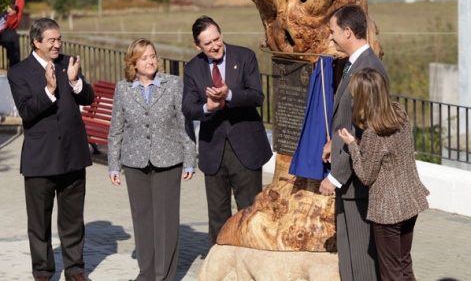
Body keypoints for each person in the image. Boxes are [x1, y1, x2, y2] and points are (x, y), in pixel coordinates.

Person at [7, 18, 94, 281]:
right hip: (40, 158)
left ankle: (75, 270)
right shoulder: (19, 72)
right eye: (51, 40)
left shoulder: (69, 63)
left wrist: (76, 81)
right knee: (39, 223)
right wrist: (49, 90)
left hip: (73, 154)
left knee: (73, 220)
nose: (57, 45)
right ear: (36, 42)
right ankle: (43, 271)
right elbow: (26, 111)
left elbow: (87, 97)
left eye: (59, 39)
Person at [107, 38, 197, 281]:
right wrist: (113, 165)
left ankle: (164, 276)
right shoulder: (123, 88)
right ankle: (146, 273)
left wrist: (190, 159)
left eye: (153, 56)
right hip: (134, 162)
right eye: (144, 57)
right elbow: (116, 129)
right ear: (133, 63)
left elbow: (184, 123)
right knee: (142, 218)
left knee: (166, 220)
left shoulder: (173, 84)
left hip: (169, 159)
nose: (150, 61)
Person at [181, 15, 272, 248]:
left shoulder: (244, 57)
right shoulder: (192, 68)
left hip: (246, 150)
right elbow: (188, 108)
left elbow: (257, 96)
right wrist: (207, 107)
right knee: (218, 217)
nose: (215, 46)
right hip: (214, 152)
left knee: (250, 214)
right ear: (198, 46)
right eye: (208, 43)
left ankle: (251, 266)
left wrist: (229, 95)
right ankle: (220, 267)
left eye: (217, 39)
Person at [338, 68, 430, 281]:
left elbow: (366, 176)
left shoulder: (372, 133)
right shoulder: (399, 114)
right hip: (410, 200)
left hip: (387, 210)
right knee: (404, 264)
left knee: (391, 273)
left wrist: (352, 145)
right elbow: (390, 154)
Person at [319, 4, 387, 281]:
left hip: (357, 183)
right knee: (348, 258)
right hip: (349, 180)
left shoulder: (368, 69)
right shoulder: (356, 64)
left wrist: (335, 178)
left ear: (348, 31)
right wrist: (332, 143)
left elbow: (366, 132)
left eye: (333, 32)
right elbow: (349, 119)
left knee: (361, 262)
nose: (331, 38)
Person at [0, 0, 25, 68]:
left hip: (5, 30)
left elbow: (14, 24)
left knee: (13, 38)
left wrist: (12, 11)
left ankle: (15, 71)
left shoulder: (19, 1)